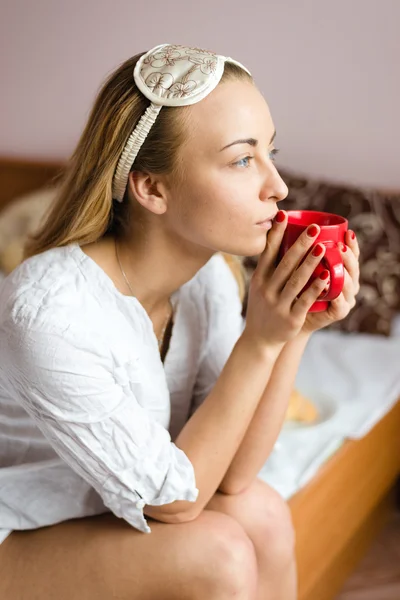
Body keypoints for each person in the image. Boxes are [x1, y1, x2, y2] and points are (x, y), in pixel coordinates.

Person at [0, 43, 360, 599]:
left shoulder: (209, 279)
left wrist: (294, 330)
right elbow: (174, 501)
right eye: (243, 160)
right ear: (152, 188)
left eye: (270, 152)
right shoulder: (49, 311)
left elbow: (235, 475)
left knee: (260, 511)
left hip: (94, 514)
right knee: (219, 553)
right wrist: (258, 342)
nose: (279, 187)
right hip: (17, 528)